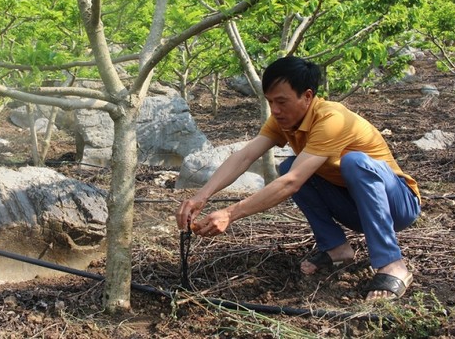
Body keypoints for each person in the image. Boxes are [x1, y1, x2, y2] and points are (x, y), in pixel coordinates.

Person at [176, 56, 421, 301]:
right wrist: (201, 196)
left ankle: (391, 263)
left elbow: (292, 182)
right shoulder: (283, 120)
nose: (275, 110)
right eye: (270, 101)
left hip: (397, 205)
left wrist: (230, 213)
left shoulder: (332, 119)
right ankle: (337, 248)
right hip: (356, 207)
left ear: (307, 96)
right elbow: (245, 156)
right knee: (290, 165)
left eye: (282, 101)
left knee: (352, 163)